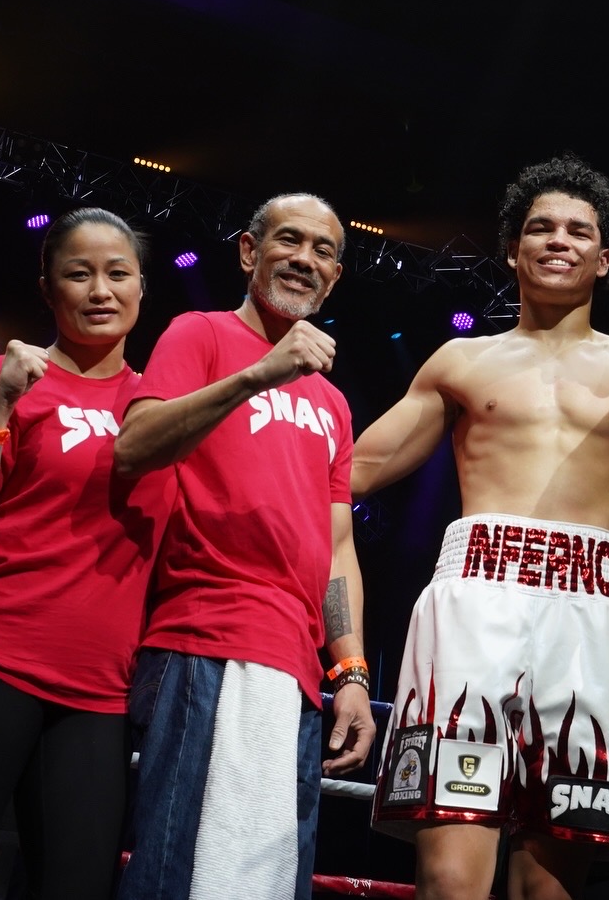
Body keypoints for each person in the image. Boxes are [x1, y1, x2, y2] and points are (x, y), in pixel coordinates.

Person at [354, 154, 609, 900]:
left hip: (590, 621)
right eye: (540, 227)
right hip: (472, 604)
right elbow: (346, 470)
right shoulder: (461, 361)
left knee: (550, 883)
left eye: (579, 231)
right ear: (512, 248)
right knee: (449, 873)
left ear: (605, 258)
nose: (558, 240)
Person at [0, 207, 176, 900]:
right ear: (48, 289)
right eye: (78, 274)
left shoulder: (161, 407)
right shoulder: (0, 377)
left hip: (98, 690)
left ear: (143, 288)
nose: (100, 290)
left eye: (118, 273)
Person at [111, 193, 375, 900]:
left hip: (293, 665)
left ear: (336, 277)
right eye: (289, 241)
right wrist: (261, 373)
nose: (305, 259)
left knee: (266, 877)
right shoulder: (197, 335)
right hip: (200, 634)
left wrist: (349, 670)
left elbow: (336, 542)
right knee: (175, 867)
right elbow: (133, 447)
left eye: (323, 250)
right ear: (249, 252)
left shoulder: (334, 403)